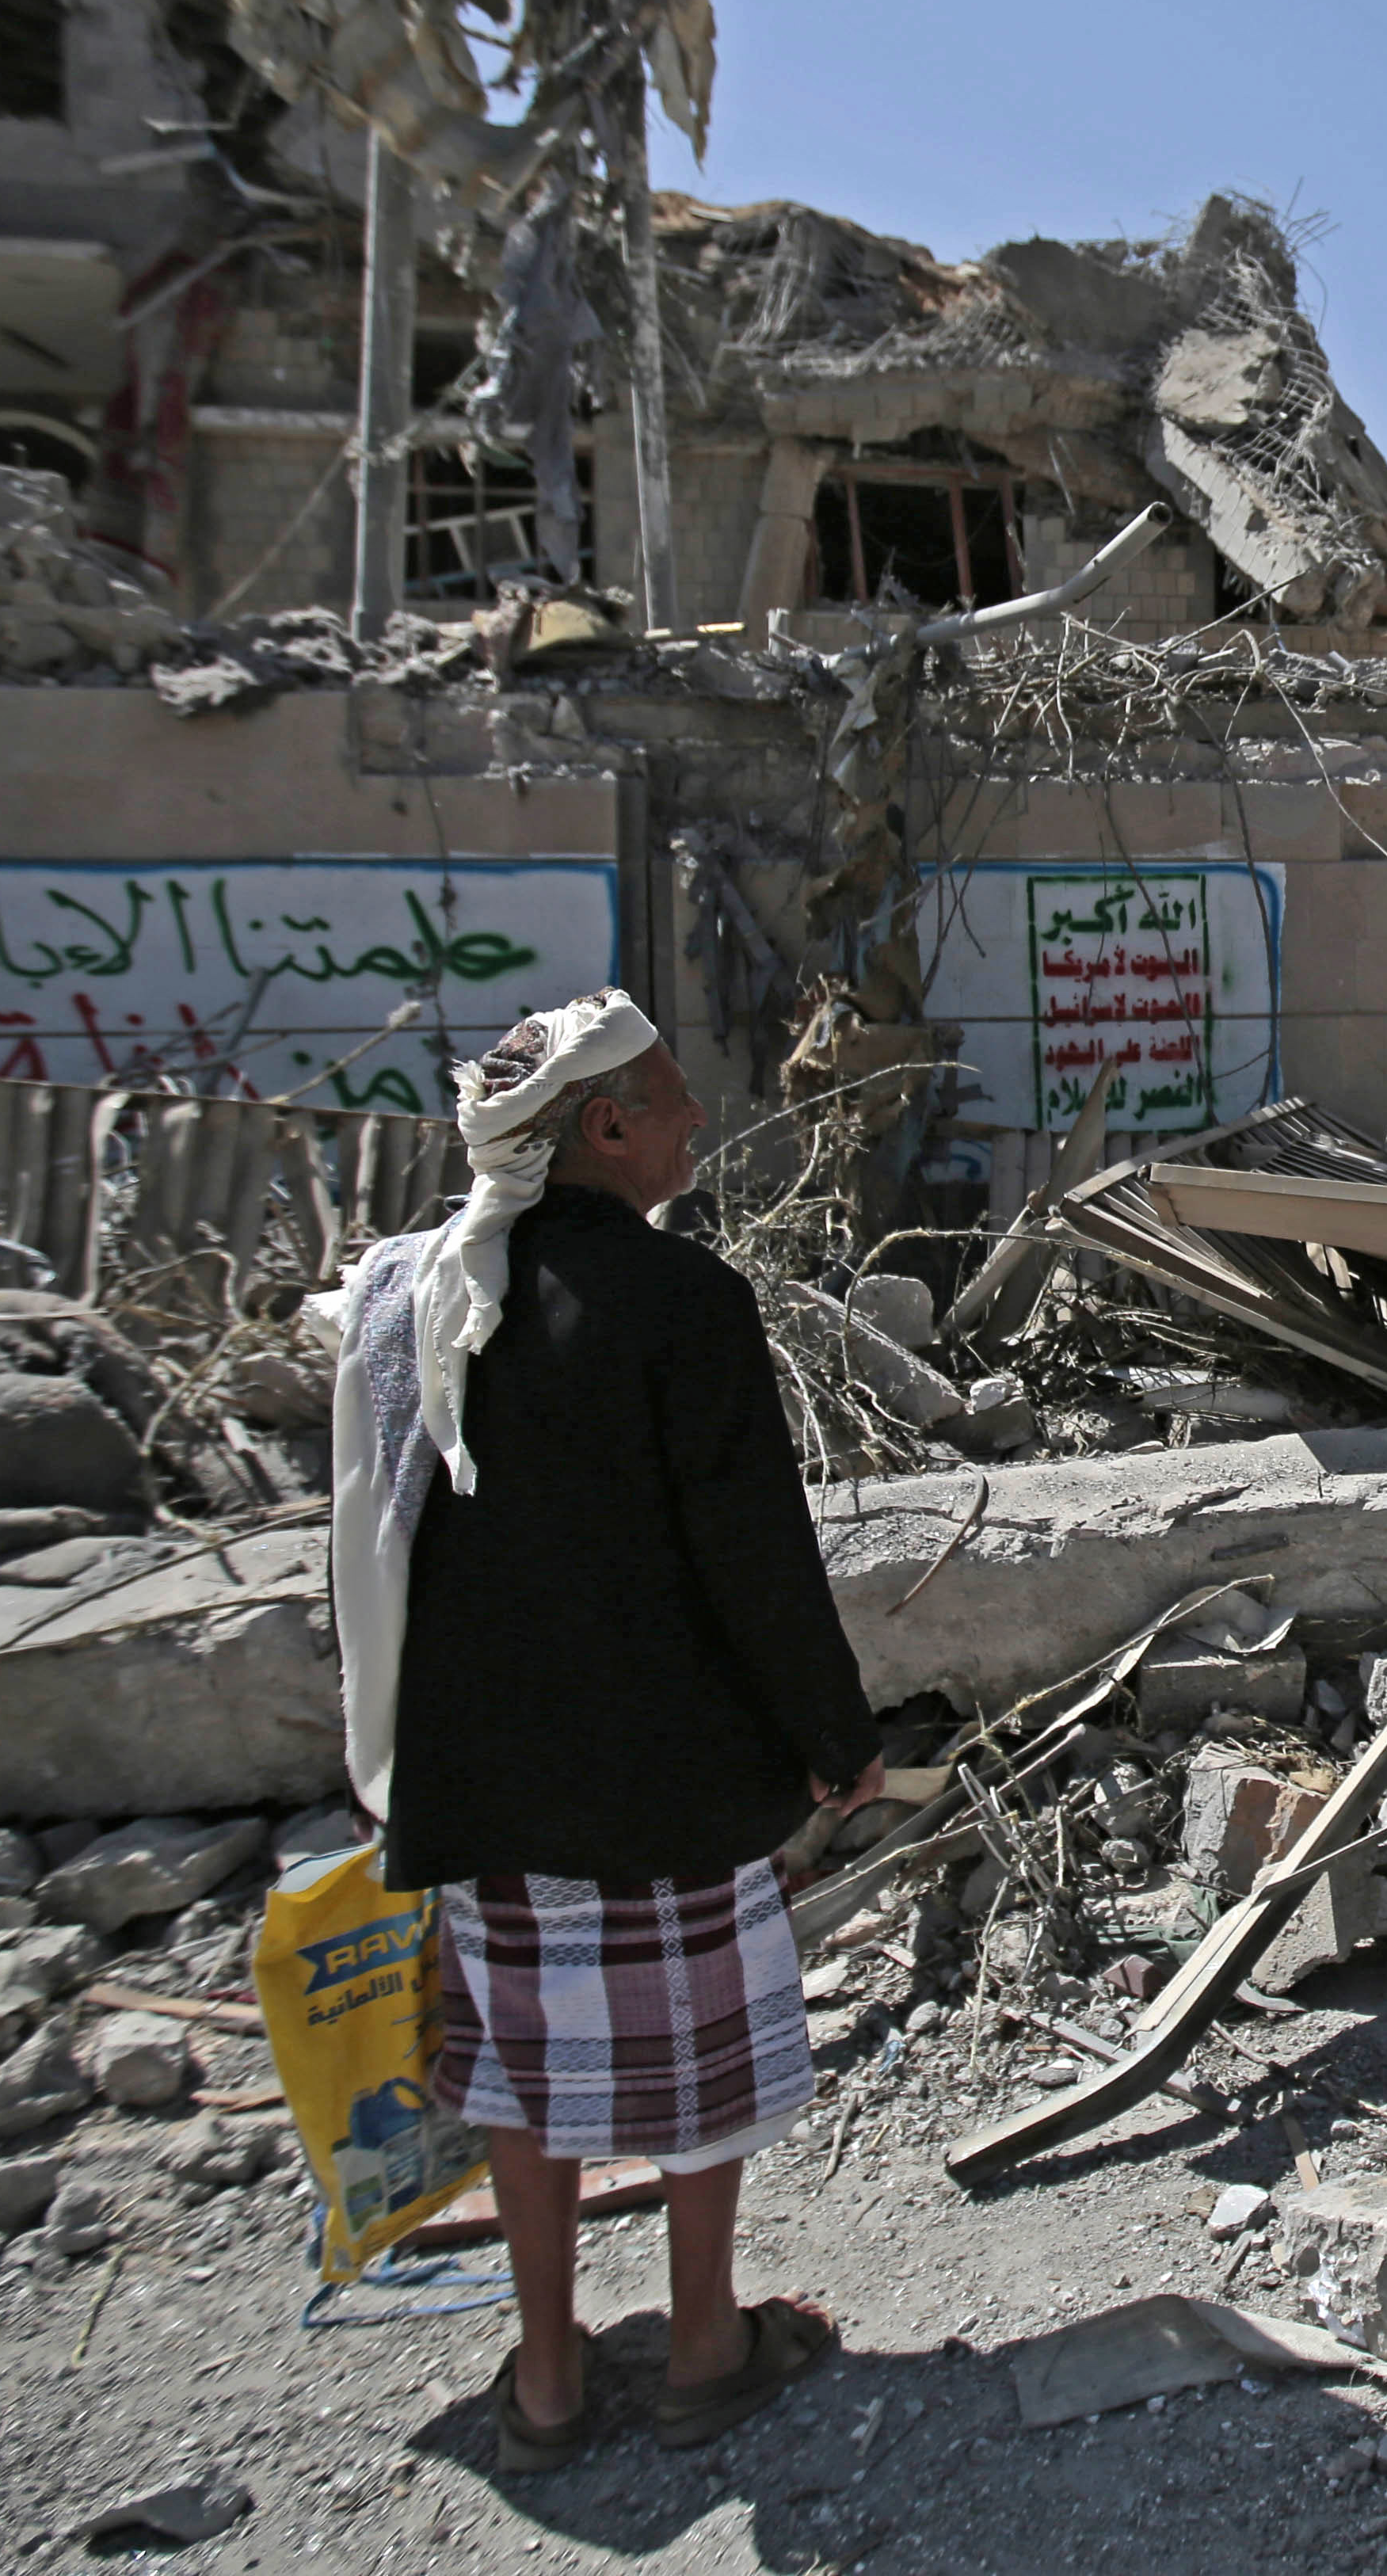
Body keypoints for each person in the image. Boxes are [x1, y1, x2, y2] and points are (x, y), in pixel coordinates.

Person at [322, 990, 893, 2471]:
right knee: (694, 2061)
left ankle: (548, 2381)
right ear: (605, 1126)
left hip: (484, 1776)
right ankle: (704, 2348)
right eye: (672, 1097)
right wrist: (836, 1737)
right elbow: (755, 1558)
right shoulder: (682, 1300)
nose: (698, 1117)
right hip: (666, 1777)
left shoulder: (410, 1297)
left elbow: (370, 1537)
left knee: (524, 2071)